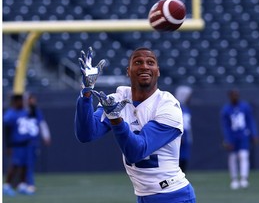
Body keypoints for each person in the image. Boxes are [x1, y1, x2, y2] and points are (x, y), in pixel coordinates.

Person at [75, 47, 196, 203]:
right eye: (138, 62)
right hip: (144, 196)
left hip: (173, 195)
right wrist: (86, 93)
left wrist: (115, 118)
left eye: (150, 62)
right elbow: (86, 134)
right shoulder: (117, 98)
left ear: (157, 71)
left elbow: (137, 151)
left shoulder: (168, 106)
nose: (144, 66)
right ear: (128, 71)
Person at [220, 89, 259, 190]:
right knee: (232, 158)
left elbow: (250, 121)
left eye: (237, 95)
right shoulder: (226, 109)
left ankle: (244, 178)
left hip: (243, 135)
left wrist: (254, 134)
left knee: (243, 156)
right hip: (232, 136)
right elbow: (225, 126)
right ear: (230, 96)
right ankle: (234, 179)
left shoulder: (245, 107)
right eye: (233, 95)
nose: (235, 97)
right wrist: (227, 139)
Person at [3, 94, 31, 196]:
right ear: (15, 102)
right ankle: (6, 186)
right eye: (20, 101)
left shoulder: (24, 112)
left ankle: (22, 185)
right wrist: (8, 146)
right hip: (16, 144)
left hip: (25, 143)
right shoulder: (10, 114)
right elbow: (7, 131)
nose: (21, 103)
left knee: (24, 165)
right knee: (14, 165)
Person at [174, 86, 193, 173]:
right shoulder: (176, 107)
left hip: (186, 138)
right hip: (179, 138)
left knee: (184, 161)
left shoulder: (186, 108)